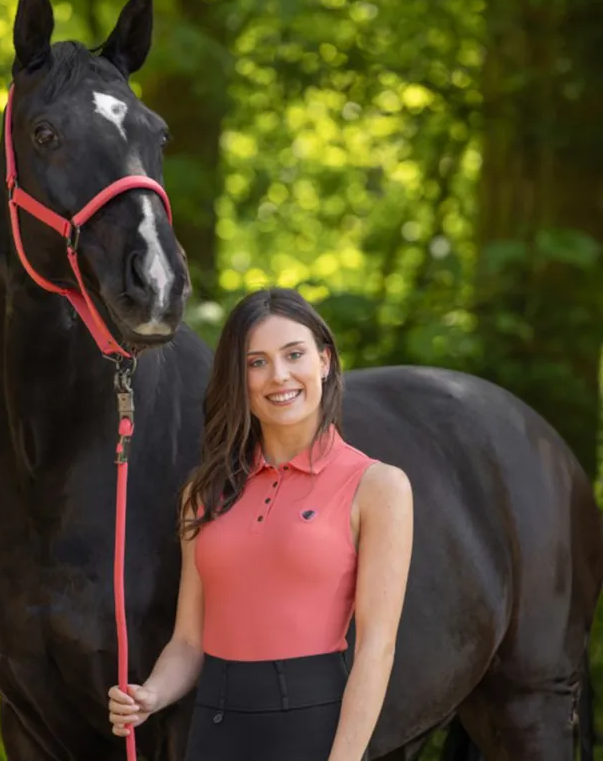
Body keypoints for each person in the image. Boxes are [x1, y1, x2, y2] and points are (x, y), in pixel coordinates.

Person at [108, 287, 414, 760]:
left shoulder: (378, 487)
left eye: (294, 354)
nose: (279, 376)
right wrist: (151, 695)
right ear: (240, 378)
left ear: (324, 361)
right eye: (257, 362)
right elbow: (189, 640)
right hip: (214, 727)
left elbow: (378, 647)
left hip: (313, 729)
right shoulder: (203, 493)